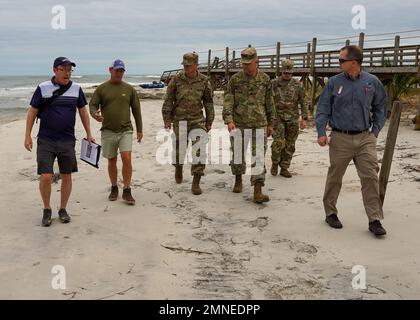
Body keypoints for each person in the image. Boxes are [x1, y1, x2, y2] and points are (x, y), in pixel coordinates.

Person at [316, 45, 388, 236]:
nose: (338, 63)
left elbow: (381, 106)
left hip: (365, 138)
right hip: (340, 138)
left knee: (370, 177)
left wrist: (375, 131)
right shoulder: (333, 82)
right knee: (335, 177)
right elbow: (323, 108)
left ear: (354, 62)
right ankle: (330, 213)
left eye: (341, 60)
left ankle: (374, 219)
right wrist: (321, 132)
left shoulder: (372, 82)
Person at [24, 56, 95, 227]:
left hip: (67, 140)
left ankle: (63, 209)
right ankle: (47, 209)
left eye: (70, 70)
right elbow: (32, 111)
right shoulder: (43, 88)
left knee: (66, 175)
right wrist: (27, 135)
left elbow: (83, 112)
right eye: (63, 69)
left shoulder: (77, 89)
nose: (67, 73)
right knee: (46, 176)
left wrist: (89, 133)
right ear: (55, 70)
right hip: (46, 140)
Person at [223, 47, 275, 203]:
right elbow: (228, 101)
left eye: (248, 63)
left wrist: (271, 123)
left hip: (259, 124)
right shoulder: (235, 80)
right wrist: (229, 120)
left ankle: (257, 191)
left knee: (258, 157)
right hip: (239, 124)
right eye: (243, 64)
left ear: (256, 61)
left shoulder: (265, 79)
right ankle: (238, 179)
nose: (245, 67)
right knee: (238, 154)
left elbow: (269, 102)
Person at [89, 59, 143, 205]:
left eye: (122, 71)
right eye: (117, 70)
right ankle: (114, 187)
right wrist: (96, 115)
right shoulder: (101, 89)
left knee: (126, 157)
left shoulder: (129, 89)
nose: (119, 73)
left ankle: (127, 189)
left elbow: (136, 110)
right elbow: (92, 105)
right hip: (108, 130)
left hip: (126, 129)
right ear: (110, 70)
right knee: (112, 160)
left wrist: (140, 129)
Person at [162, 52, 214, 195]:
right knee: (179, 150)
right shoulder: (176, 80)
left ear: (196, 65)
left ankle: (196, 181)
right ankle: (178, 168)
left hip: (197, 120)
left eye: (189, 65)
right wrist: (167, 118)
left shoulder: (204, 81)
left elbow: (208, 102)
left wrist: (210, 121)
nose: (186, 67)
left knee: (199, 150)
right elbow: (168, 100)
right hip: (180, 120)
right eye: (184, 65)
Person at [270, 59, 308, 178]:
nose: (287, 75)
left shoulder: (298, 85)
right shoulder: (274, 83)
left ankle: (285, 167)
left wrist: (304, 118)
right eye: (285, 73)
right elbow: (267, 100)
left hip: (292, 118)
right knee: (278, 143)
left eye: (289, 73)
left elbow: (303, 101)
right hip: (278, 118)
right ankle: (275, 163)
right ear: (281, 72)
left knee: (290, 144)